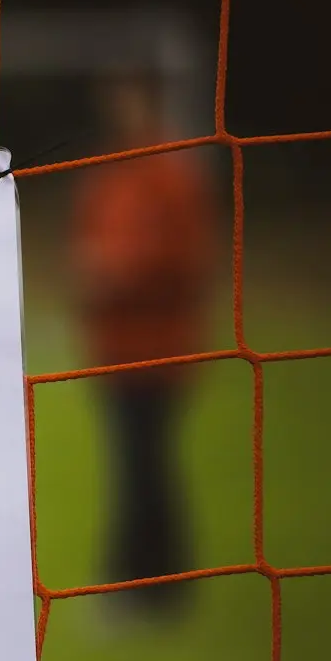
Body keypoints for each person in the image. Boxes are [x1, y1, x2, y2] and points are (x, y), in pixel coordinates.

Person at [69, 71, 217, 616]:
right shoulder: (111, 172)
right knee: (133, 467)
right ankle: (141, 586)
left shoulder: (172, 173)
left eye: (128, 96)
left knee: (146, 468)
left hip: (159, 349)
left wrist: (117, 273)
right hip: (113, 348)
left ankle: (150, 590)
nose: (119, 107)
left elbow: (187, 260)